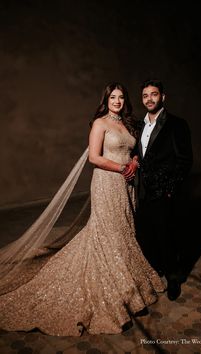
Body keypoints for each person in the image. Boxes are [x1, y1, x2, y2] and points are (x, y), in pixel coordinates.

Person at [0, 82, 165, 336]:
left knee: (123, 233)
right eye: (113, 97)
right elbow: (94, 158)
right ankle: (117, 290)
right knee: (107, 234)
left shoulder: (127, 123)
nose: (117, 101)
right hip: (107, 183)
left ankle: (127, 284)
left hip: (127, 186)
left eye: (121, 97)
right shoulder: (100, 123)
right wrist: (122, 168)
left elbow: (133, 150)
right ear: (106, 99)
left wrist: (133, 162)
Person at [135, 79, 193, 301]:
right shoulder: (139, 125)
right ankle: (156, 270)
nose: (149, 99)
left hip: (165, 193)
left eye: (154, 94)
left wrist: (169, 189)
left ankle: (174, 278)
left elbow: (185, 161)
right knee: (148, 234)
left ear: (163, 97)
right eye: (145, 95)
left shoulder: (177, 124)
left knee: (168, 236)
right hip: (144, 192)